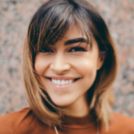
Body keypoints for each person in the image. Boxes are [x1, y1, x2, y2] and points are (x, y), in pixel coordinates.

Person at [0, 0, 134, 134]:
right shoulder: (8, 129)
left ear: (100, 58)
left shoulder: (127, 129)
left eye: (75, 49)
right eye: (46, 49)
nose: (59, 67)